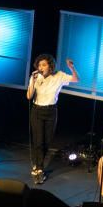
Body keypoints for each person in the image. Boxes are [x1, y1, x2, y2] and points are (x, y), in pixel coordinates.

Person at [26, 54, 78, 183]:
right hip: (37, 110)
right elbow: (28, 96)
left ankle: (38, 166)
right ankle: (39, 169)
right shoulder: (35, 76)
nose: (41, 67)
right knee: (38, 141)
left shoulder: (59, 75)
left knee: (46, 141)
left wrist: (72, 68)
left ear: (50, 66)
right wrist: (32, 80)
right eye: (39, 65)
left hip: (51, 111)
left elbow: (76, 79)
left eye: (44, 64)